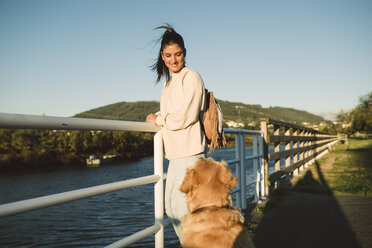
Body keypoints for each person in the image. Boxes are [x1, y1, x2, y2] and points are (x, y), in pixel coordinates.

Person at [145, 24, 206, 241]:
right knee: (172, 210)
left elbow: (185, 116)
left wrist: (159, 119)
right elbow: (174, 111)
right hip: (175, 156)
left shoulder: (192, 77)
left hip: (190, 155)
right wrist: (158, 115)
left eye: (178, 54)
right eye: (168, 55)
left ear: (185, 53)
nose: (173, 60)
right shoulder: (169, 83)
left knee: (182, 211)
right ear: (162, 56)